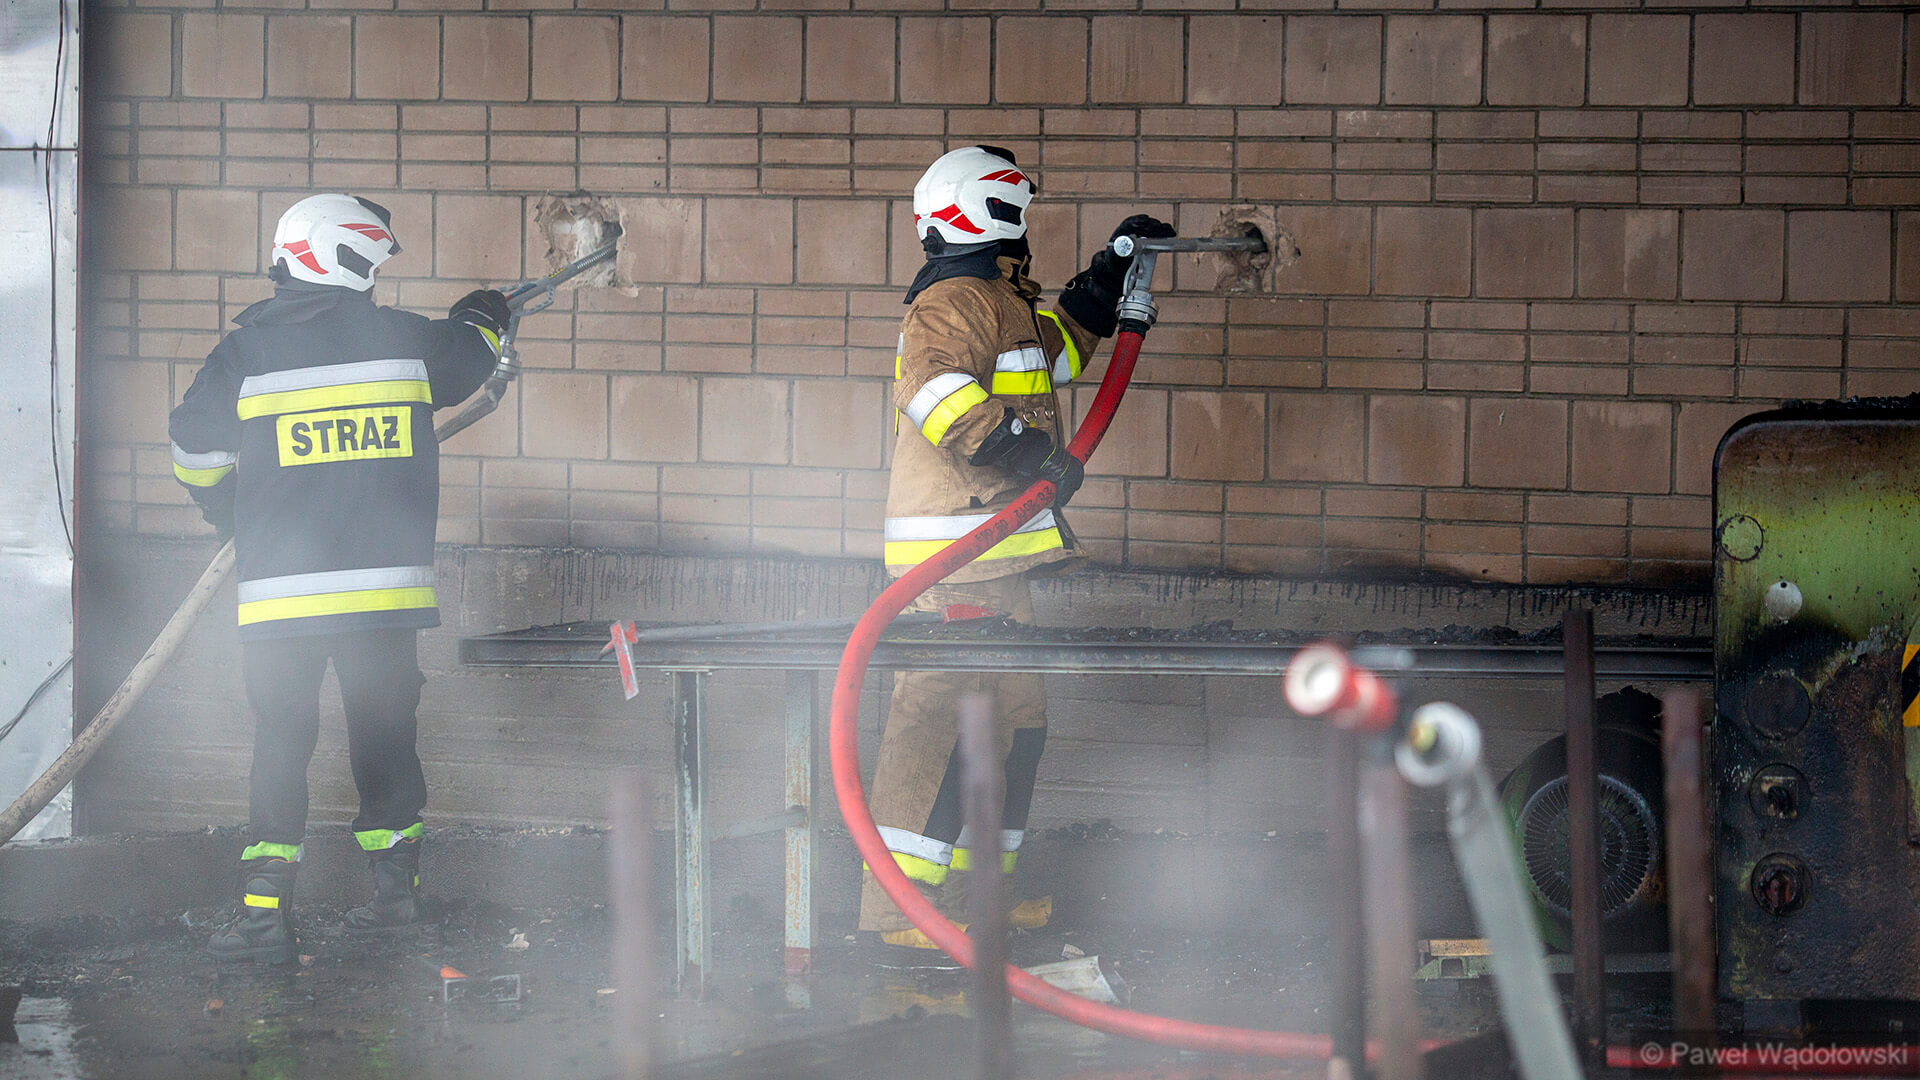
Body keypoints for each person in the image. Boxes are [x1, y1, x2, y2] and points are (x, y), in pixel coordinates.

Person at [168, 194, 509, 963]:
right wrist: (486, 309)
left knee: (280, 749)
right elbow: (477, 350)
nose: (379, 281)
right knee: (386, 750)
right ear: (347, 260)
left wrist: (231, 517)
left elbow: (192, 449)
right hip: (382, 605)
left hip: (279, 603)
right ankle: (395, 905)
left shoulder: (243, 357)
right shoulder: (406, 343)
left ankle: (262, 921)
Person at [863, 145, 1173, 963]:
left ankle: (976, 898)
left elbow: (1055, 359)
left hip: (997, 563)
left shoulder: (997, 300)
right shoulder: (948, 303)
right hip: (952, 562)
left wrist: (1108, 277)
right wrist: (1030, 456)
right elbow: (936, 396)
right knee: (938, 729)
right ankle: (900, 909)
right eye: (1019, 211)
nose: (1025, 228)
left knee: (1013, 729)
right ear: (990, 209)